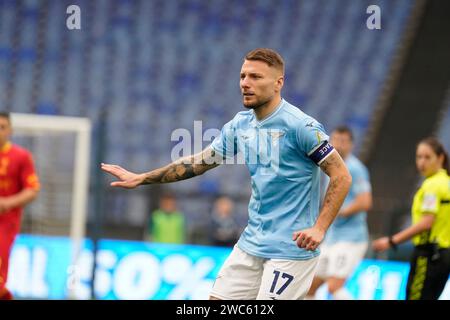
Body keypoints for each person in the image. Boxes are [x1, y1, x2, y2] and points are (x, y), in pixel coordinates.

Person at [101, 48, 352, 300]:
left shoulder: (301, 126)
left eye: (255, 77)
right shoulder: (240, 125)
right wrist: (143, 178)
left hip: (290, 250)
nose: (245, 83)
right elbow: (199, 162)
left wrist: (319, 228)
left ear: (278, 83)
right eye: (243, 76)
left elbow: (341, 176)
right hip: (251, 243)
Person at [373, 137, 450, 300]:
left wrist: (392, 240)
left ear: (440, 158)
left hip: (429, 253)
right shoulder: (446, 182)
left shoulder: (432, 186)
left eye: (427, 157)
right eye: (419, 157)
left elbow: (427, 222)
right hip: (444, 254)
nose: (422, 162)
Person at [306, 126, 373, 300]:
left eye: (344, 141)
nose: (339, 145)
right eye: (336, 140)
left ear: (351, 145)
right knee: (310, 287)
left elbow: (365, 201)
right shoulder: (329, 166)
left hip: (350, 239)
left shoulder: (355, 168)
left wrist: (338, 211)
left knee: (334, 287)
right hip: (332, 237)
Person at [0, 112, 40, 300]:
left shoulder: (21, 156)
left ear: (10, 131)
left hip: (5, 223)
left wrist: (7, 203)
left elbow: (32, 189)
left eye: (2, 127)